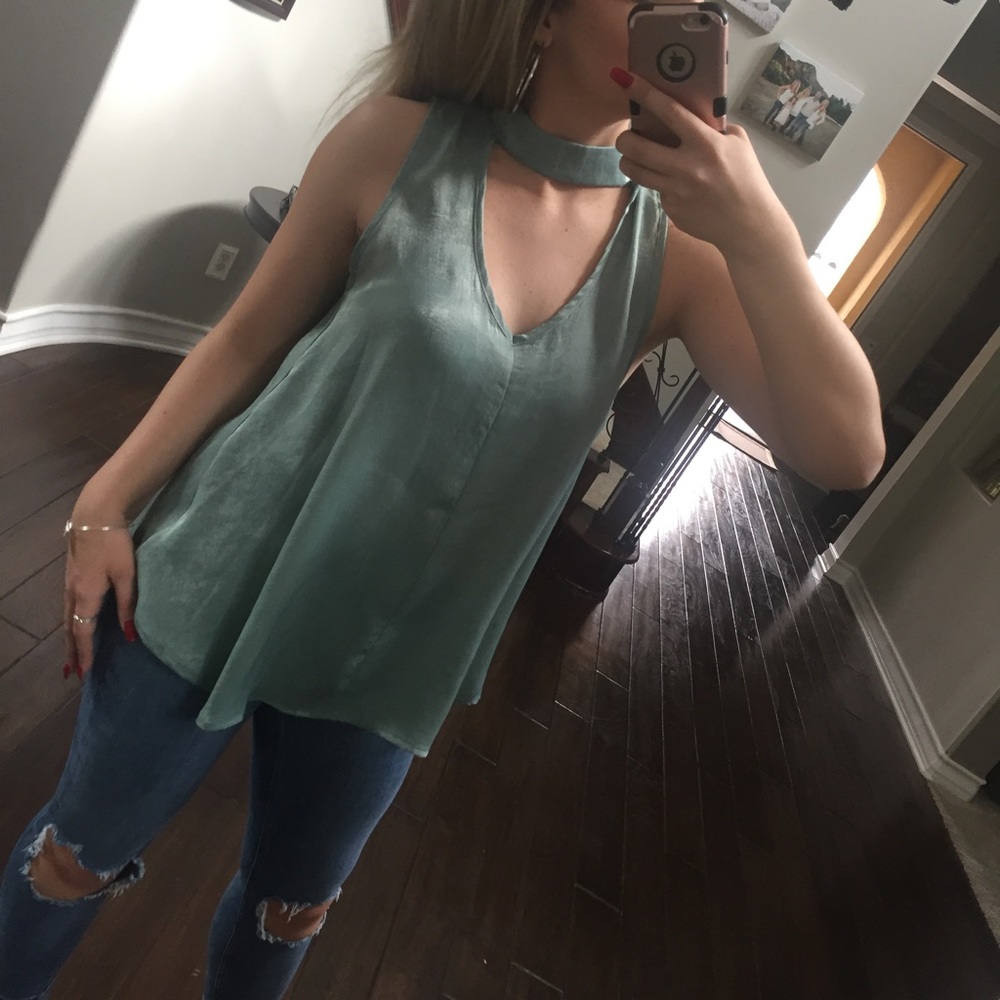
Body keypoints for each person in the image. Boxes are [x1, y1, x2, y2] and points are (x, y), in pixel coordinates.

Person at [0, 0, 886, 997]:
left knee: (288, 914)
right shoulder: (392, 140)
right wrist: (105, 501)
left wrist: (761, 231)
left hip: (396, 646)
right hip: (218, 569)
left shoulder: (679, 253)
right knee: (71, 861)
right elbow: (244, 339)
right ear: (542, 18)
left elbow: (845, 451)